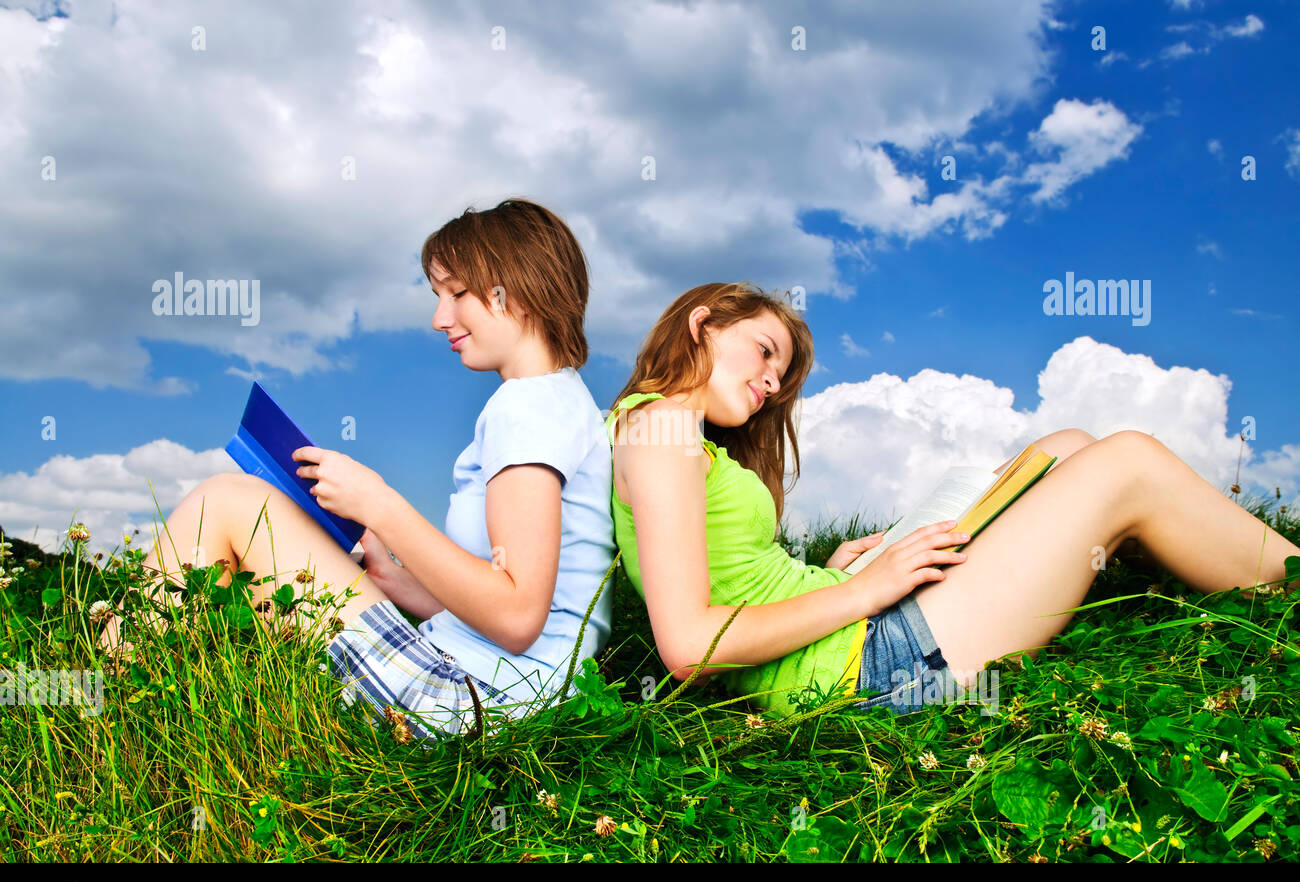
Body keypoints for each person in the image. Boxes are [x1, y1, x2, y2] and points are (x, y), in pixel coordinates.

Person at [605, 281, 1300, 717]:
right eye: (763, 352)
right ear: (701, 324)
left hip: (850, 626)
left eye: (779, 375)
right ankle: (1285, 580)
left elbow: (730, 572)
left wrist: (835, 571)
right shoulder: (662, 429)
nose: (770, 382)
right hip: (867, 664)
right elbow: (689, 645)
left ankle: (1200, 571)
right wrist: (865, 592)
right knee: (1128, 464)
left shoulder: (669, 432)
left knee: (1066, 445)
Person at [101, 198, 618, 740]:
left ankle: (110, 703)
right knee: (253, 556)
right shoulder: (559, 403)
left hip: (470, 705)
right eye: (438, 297)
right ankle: (148, 709)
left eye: (458, 293)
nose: (440, 318)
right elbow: (521, 606)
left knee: (226, 502)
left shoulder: (528, 408)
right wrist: (400, 584)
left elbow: (516, 616)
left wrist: (381, 505)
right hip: (501, 694)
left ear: (522, 289)